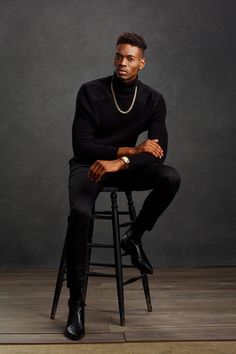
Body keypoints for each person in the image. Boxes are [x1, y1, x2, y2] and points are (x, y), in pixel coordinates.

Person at [64, 32, 181, 340]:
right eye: (119, 56)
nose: (122, 63)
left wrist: (121, 163)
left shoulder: (153, 99)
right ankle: (76, 303)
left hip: (121, 169)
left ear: (142, 63)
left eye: (130, 58)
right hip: (88, 167)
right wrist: (129, 151)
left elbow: (158, 153)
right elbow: (82, 146)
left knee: (169, 176)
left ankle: (133, 237)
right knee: (79, 214)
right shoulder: (90, 92)